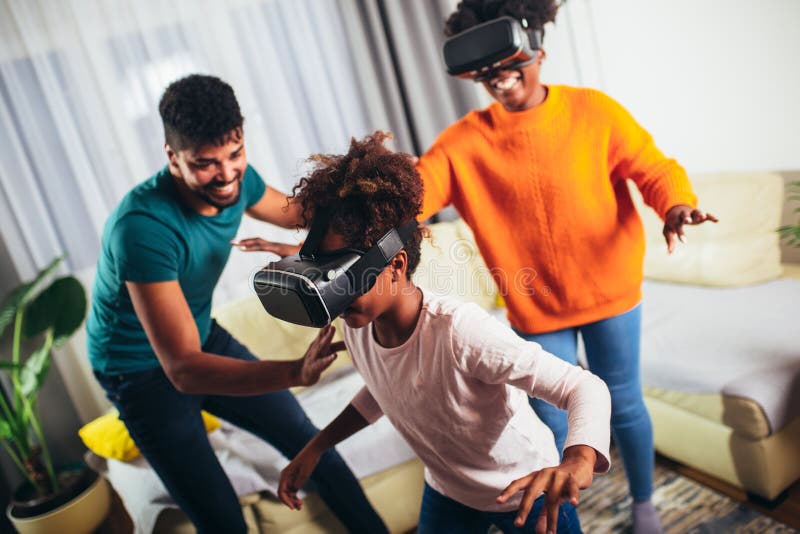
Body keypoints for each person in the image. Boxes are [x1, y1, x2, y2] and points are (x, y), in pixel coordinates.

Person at [415, 1, 719, 532]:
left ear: (538, 50)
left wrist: (675, 205)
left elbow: (653, 168)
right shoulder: (462, 143)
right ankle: (564, 518)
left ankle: (644, 505)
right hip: (536, 307)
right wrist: (343, 225)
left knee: (623, 404)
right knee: (551, 423)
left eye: (509, 63)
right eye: (486, 71)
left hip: (610, 292)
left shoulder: (594, 111)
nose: (499, 77)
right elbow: (412, 194)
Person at [86, 74, 387, 533]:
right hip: (138, 372)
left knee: (312, 445)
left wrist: (370, 190)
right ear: (172, 156)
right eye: (205, 163)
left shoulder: (238, 182)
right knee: (222, 518)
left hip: (199, 334)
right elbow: (184, 370)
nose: (226, 174)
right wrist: (294, 371)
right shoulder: (141, 229)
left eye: (235, 153)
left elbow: (303, 213)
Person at [276, 132, 612, 534]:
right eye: (324, 276)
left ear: (396, 265)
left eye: (345, 277)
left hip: (522, 489)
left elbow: (583, 386)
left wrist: (578, 459)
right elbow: (385, 388)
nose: (334, 295)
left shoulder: (459, 332)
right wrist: (317, 446)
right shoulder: (357, 324)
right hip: (448, 489)